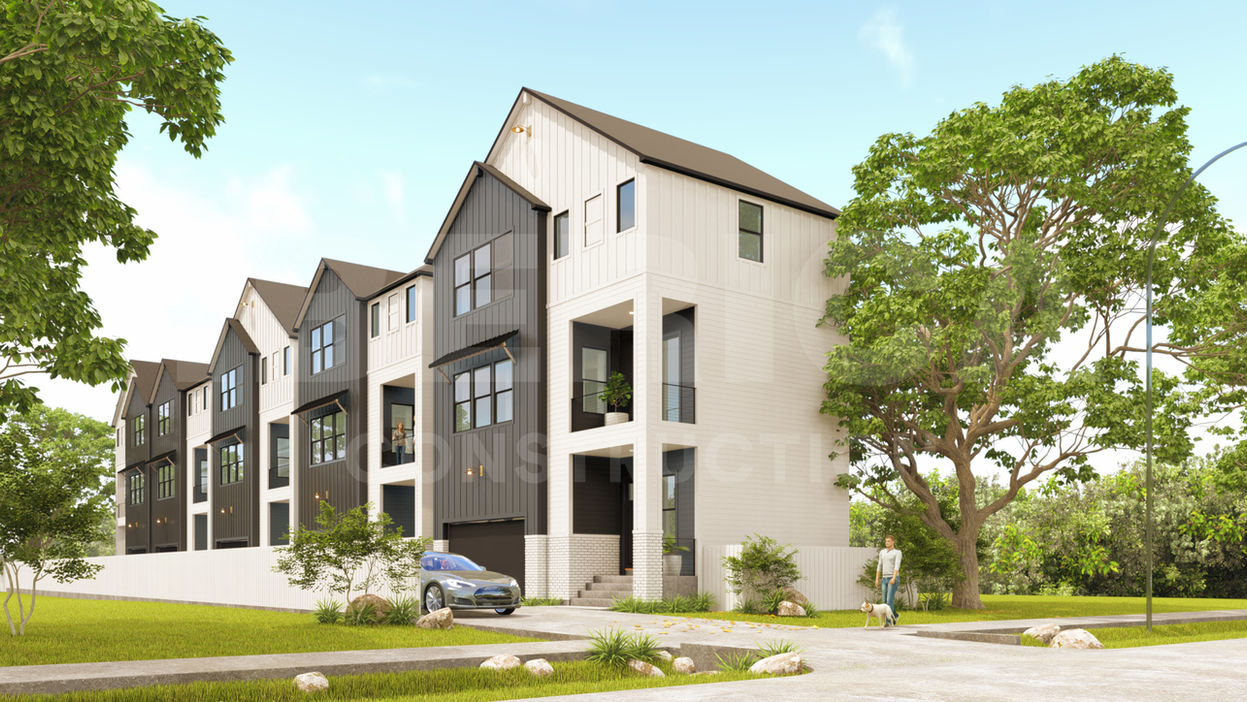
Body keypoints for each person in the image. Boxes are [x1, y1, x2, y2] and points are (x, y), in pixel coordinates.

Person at [875, 534, 902, 625]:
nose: (887, 543)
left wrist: (894, 578)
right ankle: (895, 615)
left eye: (888, 541)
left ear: (893, 542)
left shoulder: (897, 552)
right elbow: (879, 565)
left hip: (893, 578)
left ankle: (888, 621)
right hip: (884, 578)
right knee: (884, 601)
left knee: (889, 601)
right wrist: (877, 579)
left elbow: (897, 566)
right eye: (886, 541)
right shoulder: (882, 552)